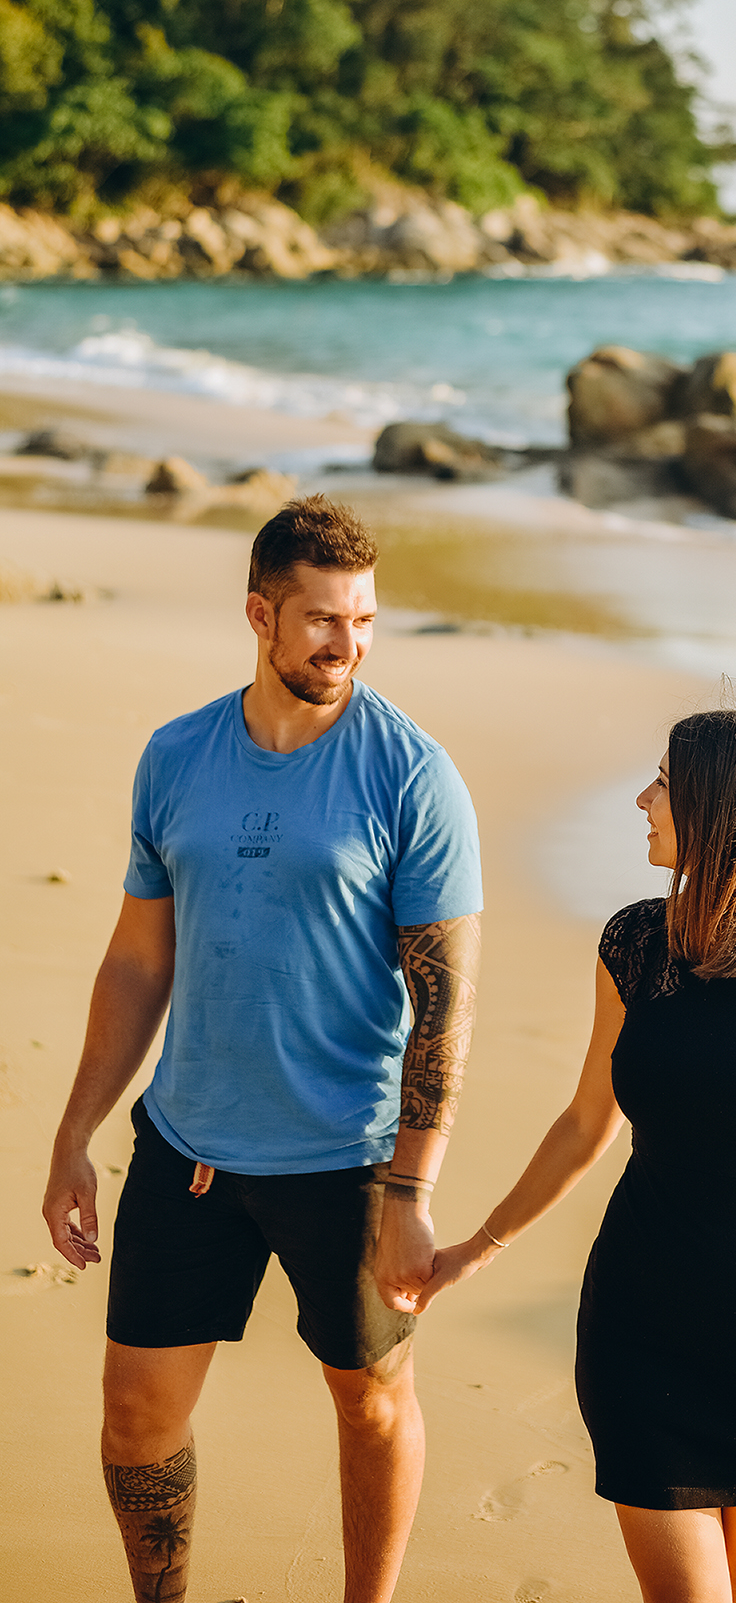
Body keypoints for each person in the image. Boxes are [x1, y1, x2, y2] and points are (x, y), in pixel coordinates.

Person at [41, 495, 484, 1603]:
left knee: (370, 1400)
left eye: (367, 619)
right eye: (325, 619)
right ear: (260, 613)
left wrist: (412, 1184)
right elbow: (139, 960)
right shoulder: (176, 755)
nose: (348, 642)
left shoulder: (411, 775)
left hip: (346, 1158)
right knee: (136, 1415)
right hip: (186, 1141)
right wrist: (74, 1132)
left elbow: (445, 1003)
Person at [417, 708, 736, 1603]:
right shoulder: (636, 942)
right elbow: (585, 1120)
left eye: (664, 784)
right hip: (638, 1324)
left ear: (726, 812)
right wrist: (474, 1249)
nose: (643, 800)